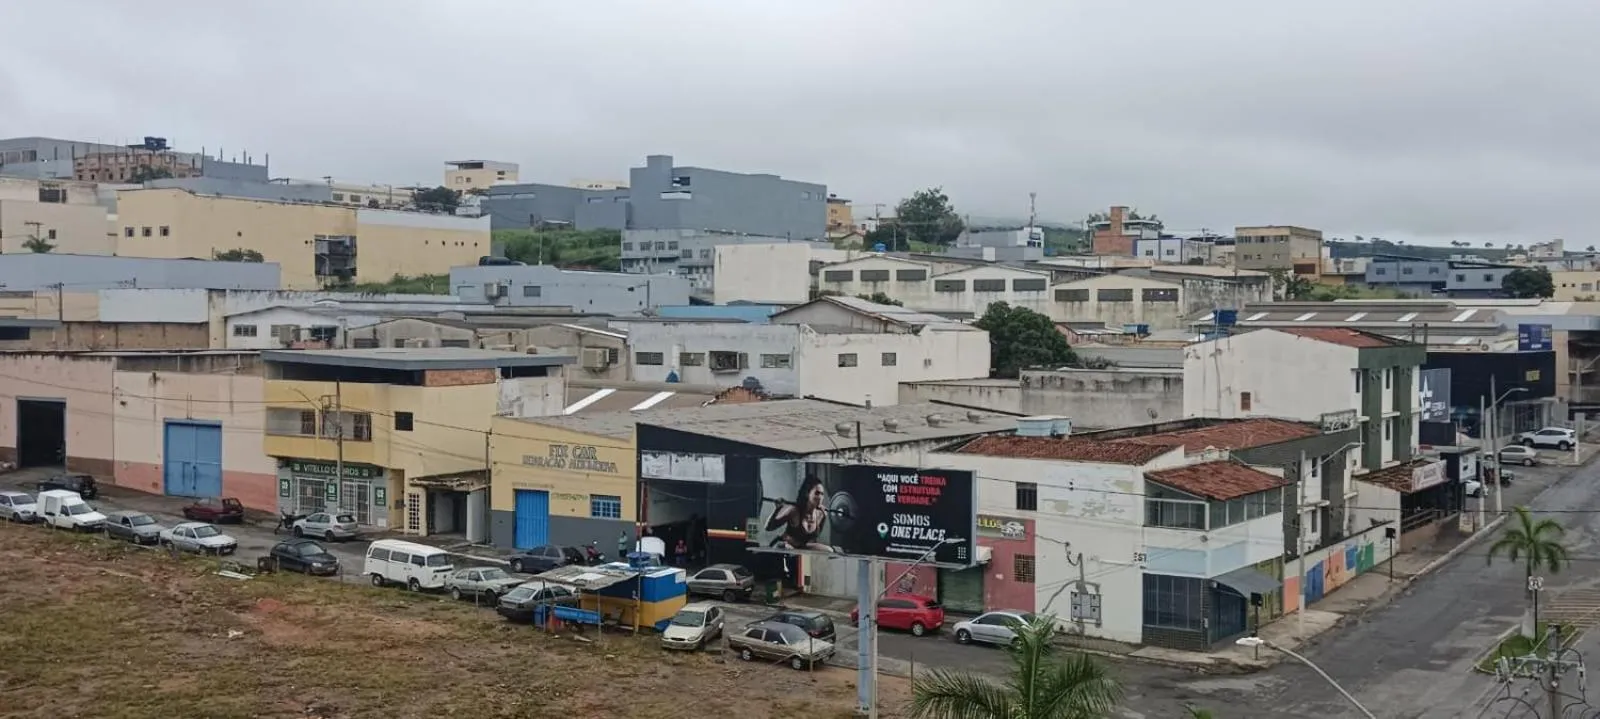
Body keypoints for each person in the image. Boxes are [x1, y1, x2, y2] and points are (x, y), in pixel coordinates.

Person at [764, 474, 834, 552]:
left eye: (822, 494)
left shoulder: (821, 514)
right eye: (817, 493)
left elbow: (814, 536)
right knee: (790, 550)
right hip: (785, 545)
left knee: (829, 550)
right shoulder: (794, 511)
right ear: (808, 493)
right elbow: (768, 527)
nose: (820, 497)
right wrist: (777, 509)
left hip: (801, 547)